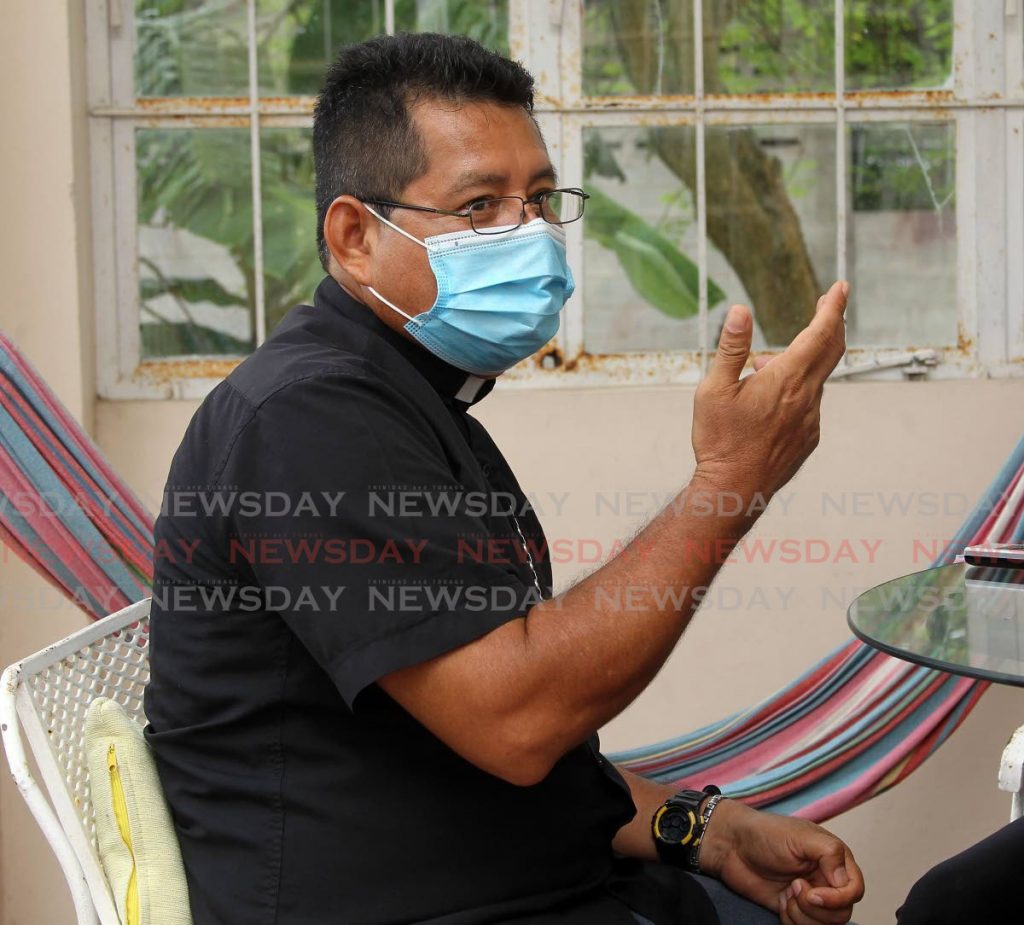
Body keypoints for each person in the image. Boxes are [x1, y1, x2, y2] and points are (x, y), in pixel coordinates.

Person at [143, 32, 864, 925]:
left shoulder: (412, 396)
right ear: (355, 235)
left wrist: (703, 829)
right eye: (480, 205)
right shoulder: (308, 420)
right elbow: (518, 721)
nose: (527, 235)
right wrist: (729, 481)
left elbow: (487, 749)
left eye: (538, 199)